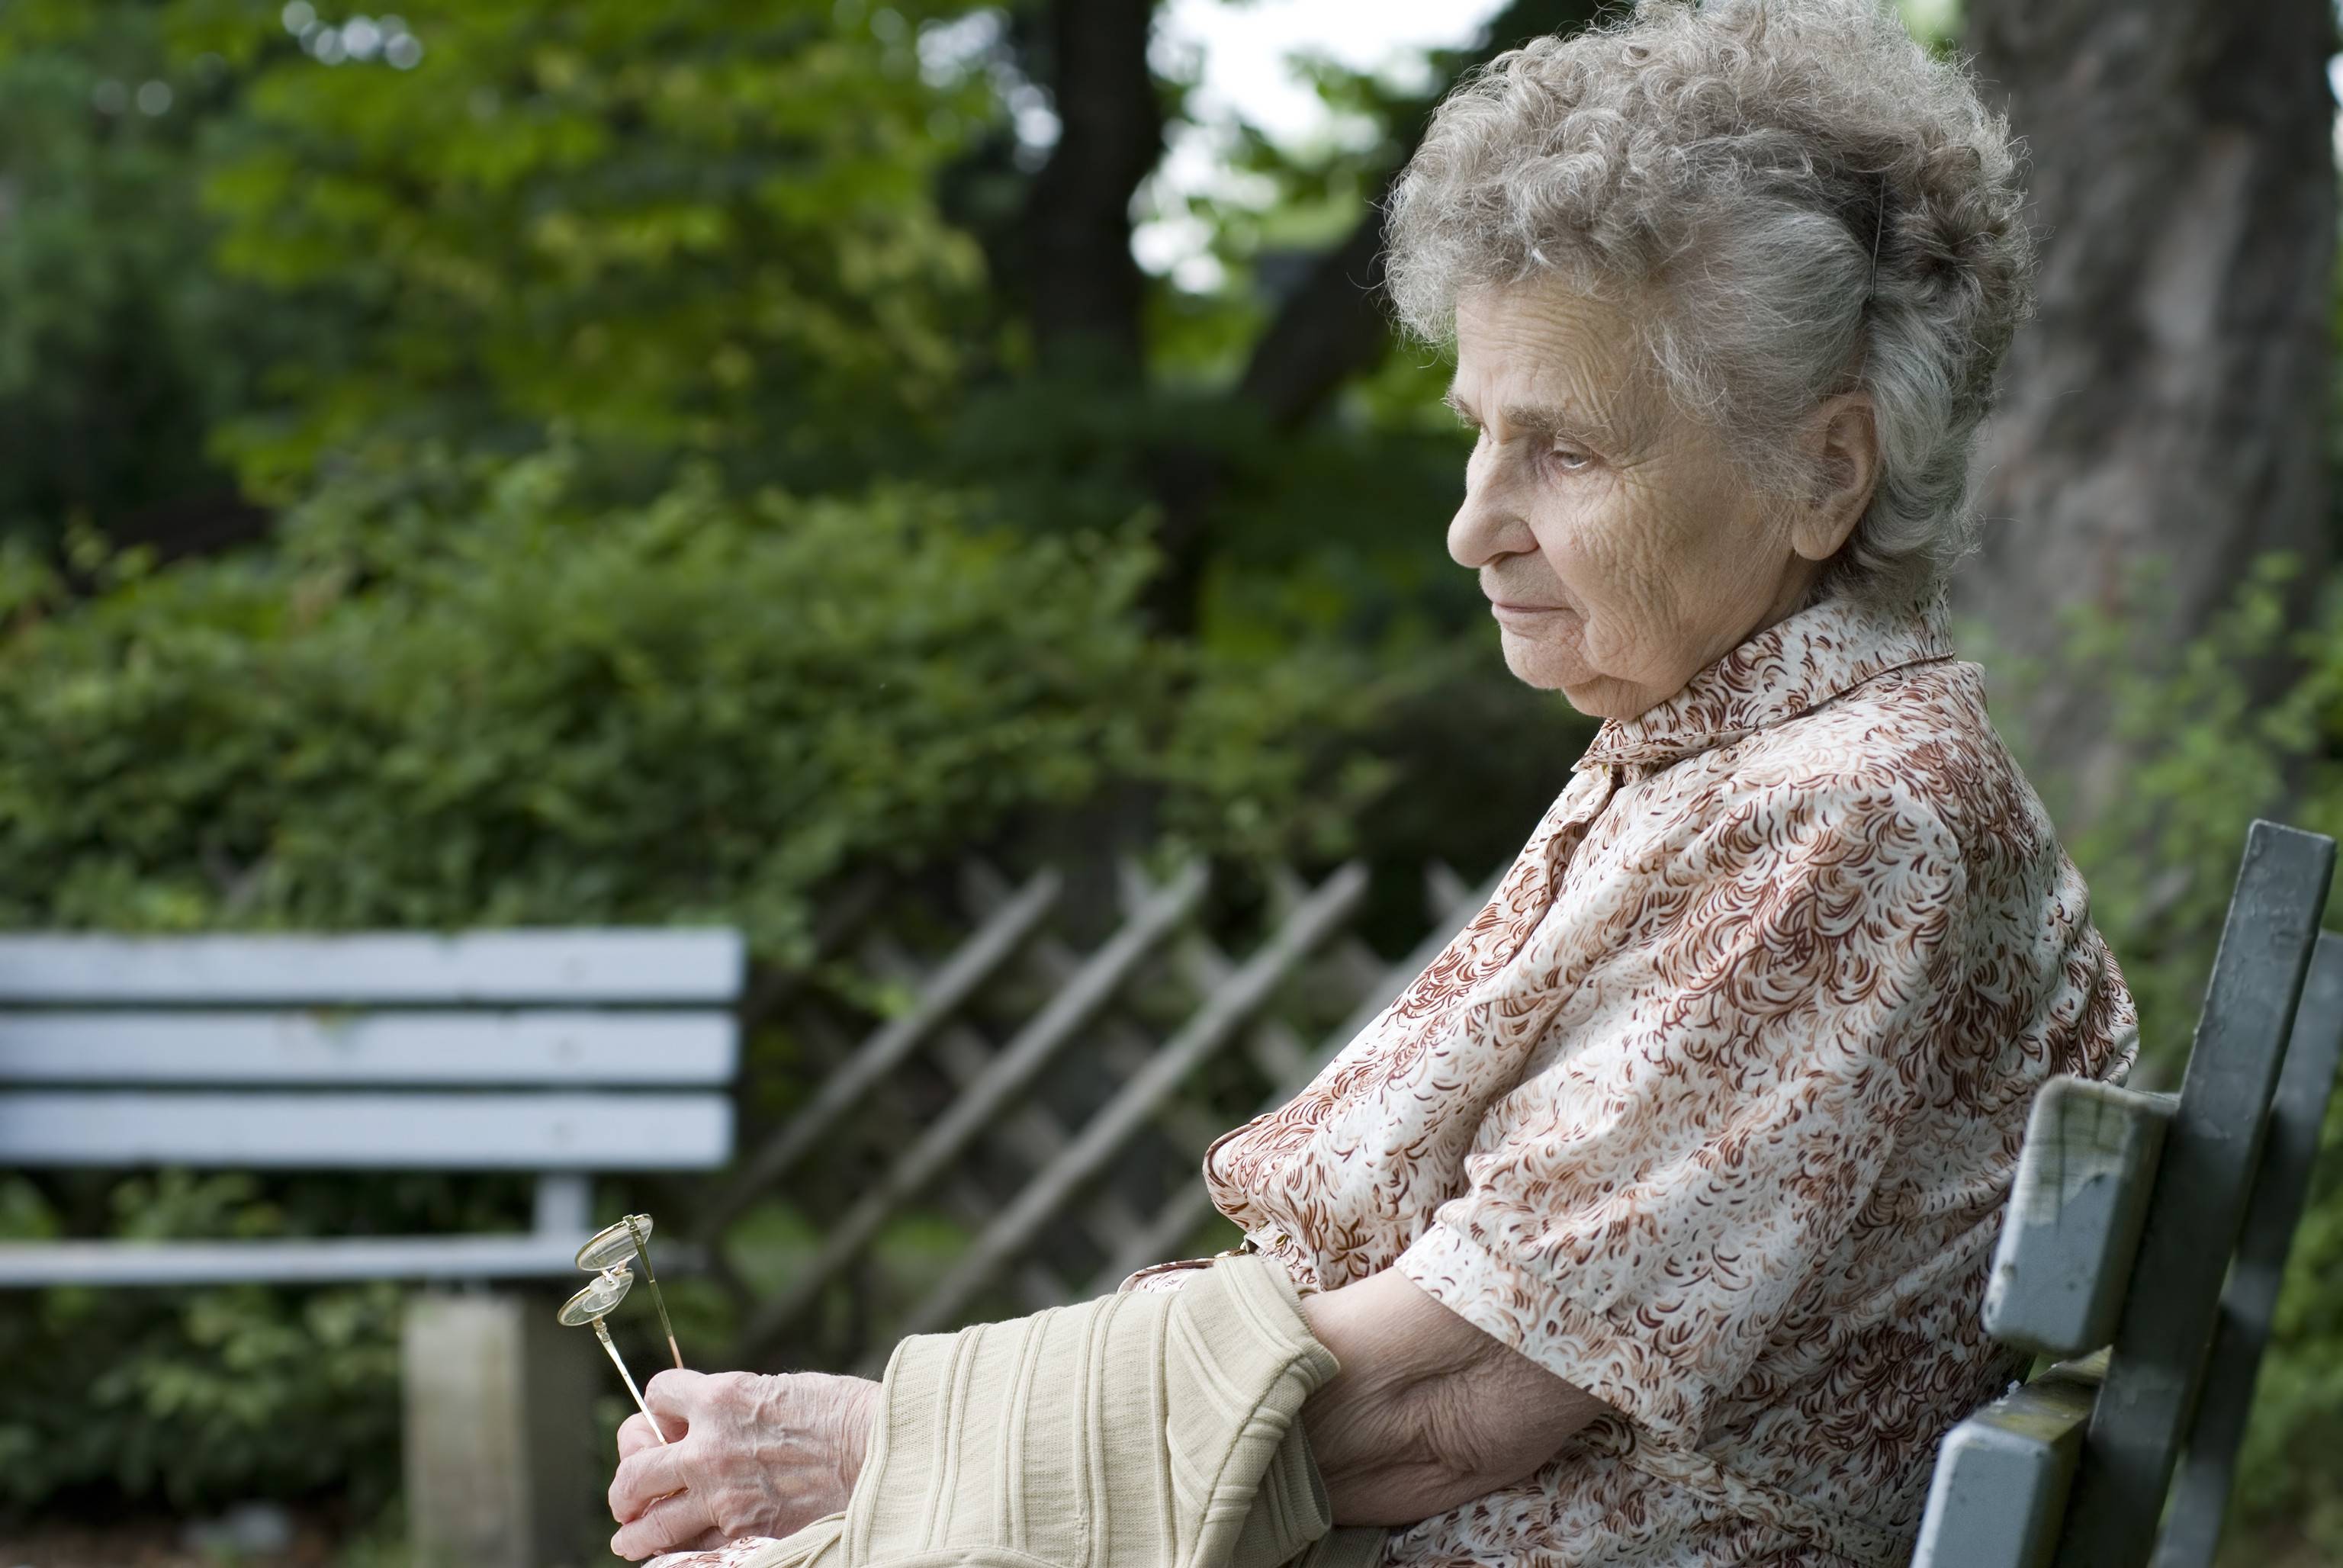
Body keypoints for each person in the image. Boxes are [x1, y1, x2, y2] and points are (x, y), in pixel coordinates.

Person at [607, 2, 2137, 1562]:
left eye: (1566, 451)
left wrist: (883, 1446)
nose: (1473, 525)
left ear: (1826, 470)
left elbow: (1448, 1400)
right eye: (1480, 433)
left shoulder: (1848, 816)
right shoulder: (1732, 759)